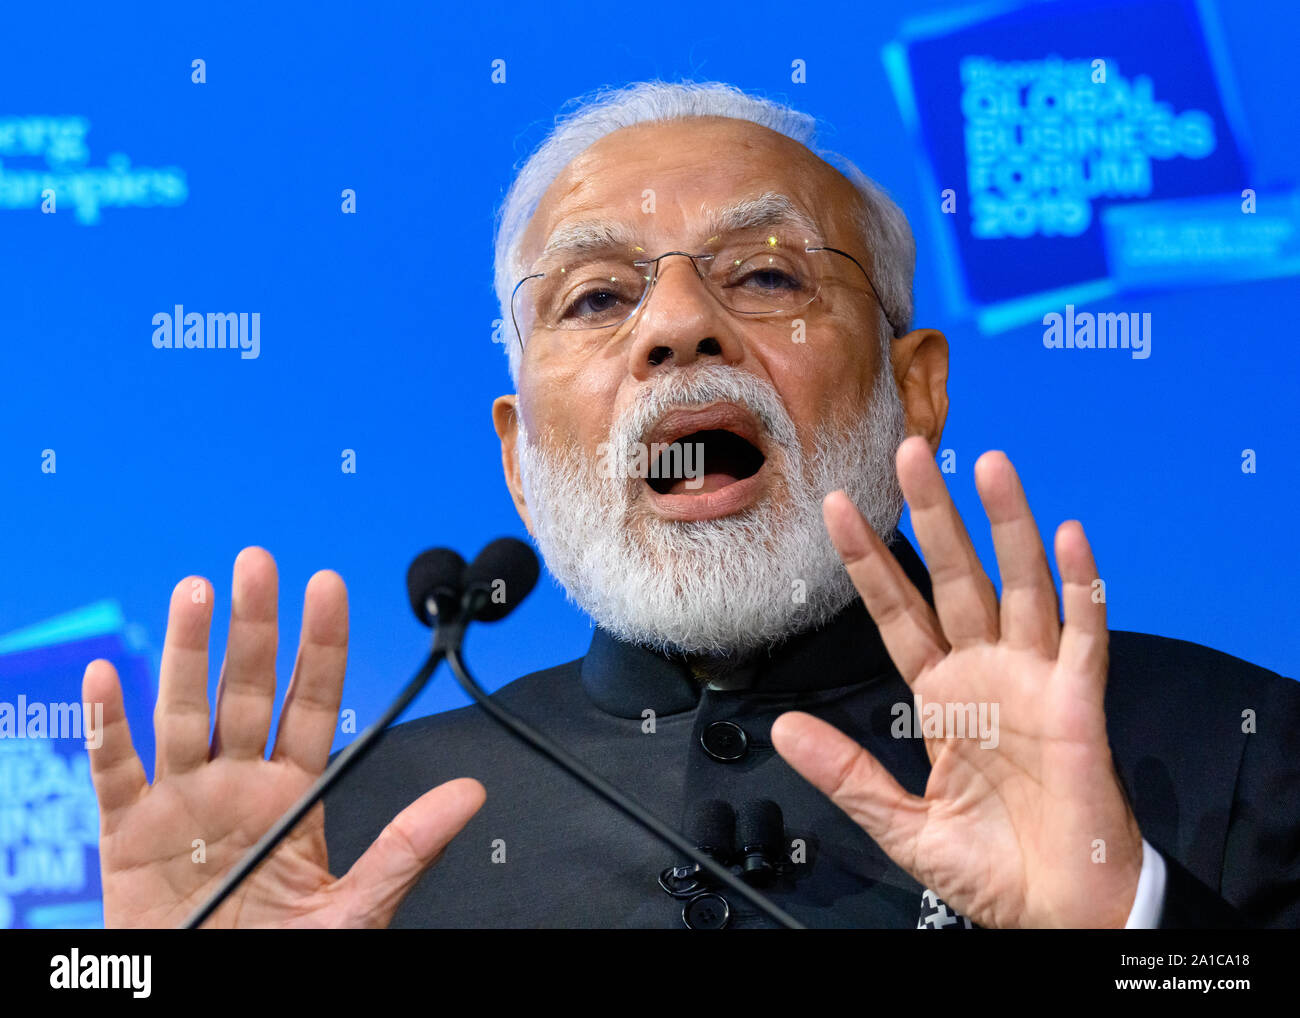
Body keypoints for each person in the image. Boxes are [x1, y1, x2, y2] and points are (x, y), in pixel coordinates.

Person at [84, 80, 1300, 929]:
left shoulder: (1232, 745)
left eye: (766, 274)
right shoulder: (337, 837)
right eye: (597, 298)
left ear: (914, 389)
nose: (676, 325)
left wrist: (1129, 932)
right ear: (518, 458)